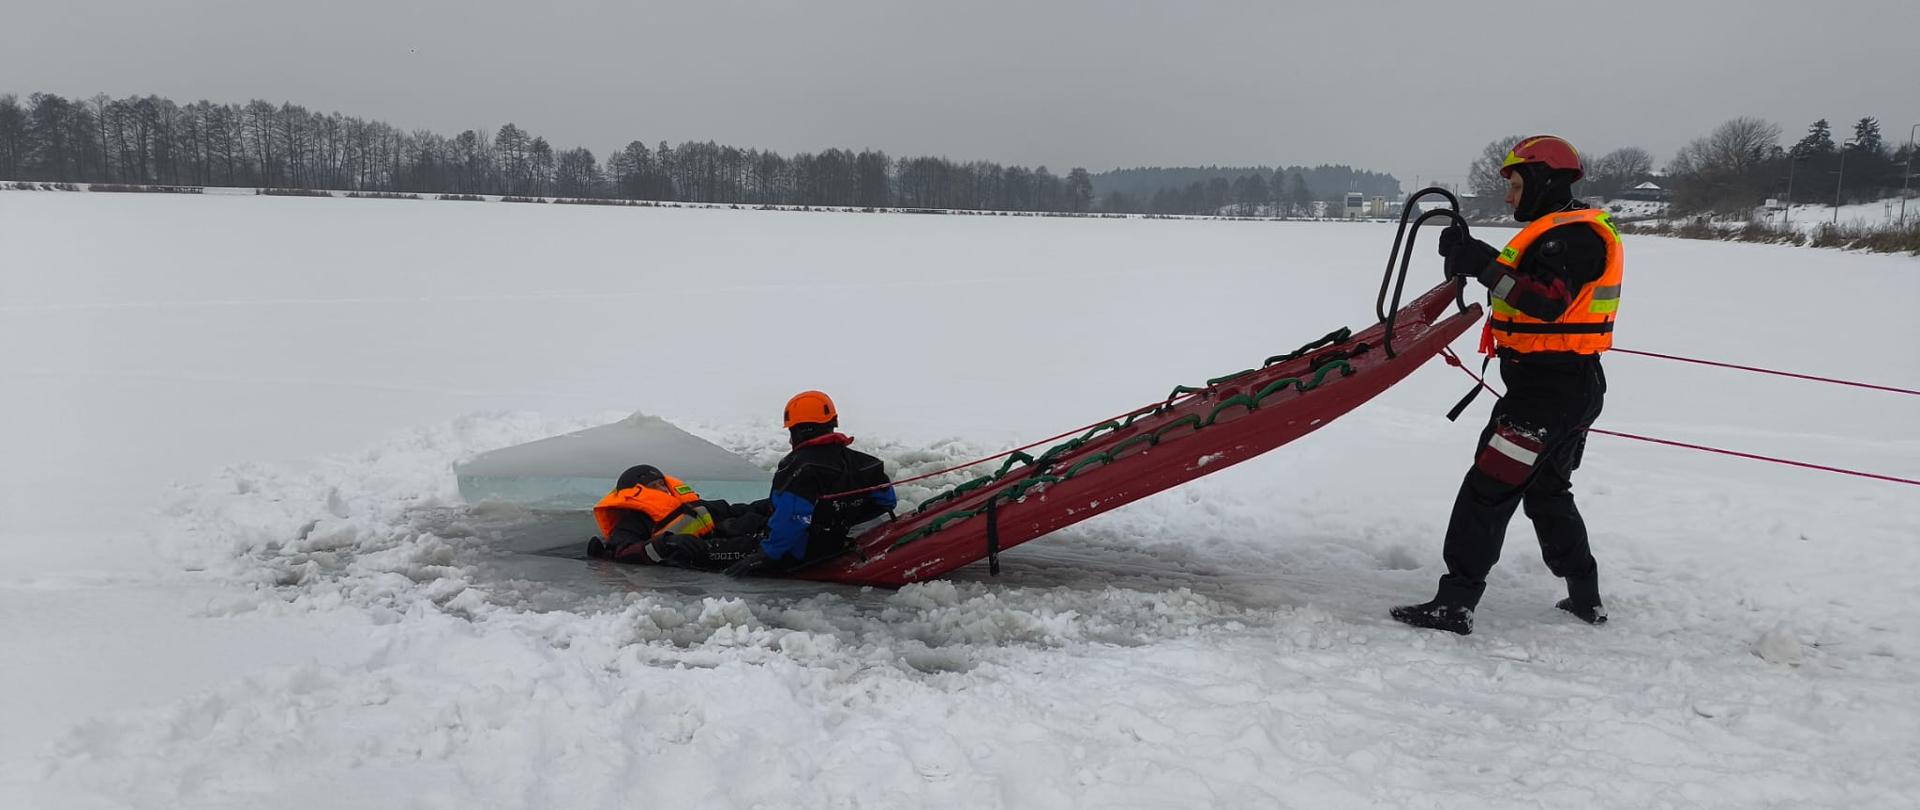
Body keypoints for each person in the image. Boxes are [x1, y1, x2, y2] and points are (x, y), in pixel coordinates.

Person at [1392, 135, 1621, 635]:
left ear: (1542, 181)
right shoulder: (1559, 234)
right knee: (1547, 492)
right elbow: (1524, 278)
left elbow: (1543, 301)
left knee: (1487, 490)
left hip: (1547, 396)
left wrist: (1478, 262)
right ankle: (1586, 595)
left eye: (1516, 185)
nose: (1510, 196)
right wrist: (1474, 254)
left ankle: (1454, 605)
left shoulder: (1576, 238)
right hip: (1565, 390)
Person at [713, 390, 898, 577]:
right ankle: (717, 520)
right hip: (825, 539)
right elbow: (886, 501)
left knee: (690, 549)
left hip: (793, 552)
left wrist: (763, 556)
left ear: (799, 431)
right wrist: (838, 519)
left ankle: (708, 524)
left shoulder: (800, 468)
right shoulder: (867, 464)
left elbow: (792, 520)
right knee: (752, 511)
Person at [585, 464, 771, 566]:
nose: (661, 489)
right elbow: (621, 552)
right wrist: (666, 543)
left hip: (714, 544)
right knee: (749, 545)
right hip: (694, 556)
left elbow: (732, 510)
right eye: (653, 487)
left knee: (749, 521)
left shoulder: (688, 506)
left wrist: (773, 503)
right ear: (635, 494)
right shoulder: (632, 522)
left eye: (661, 484)